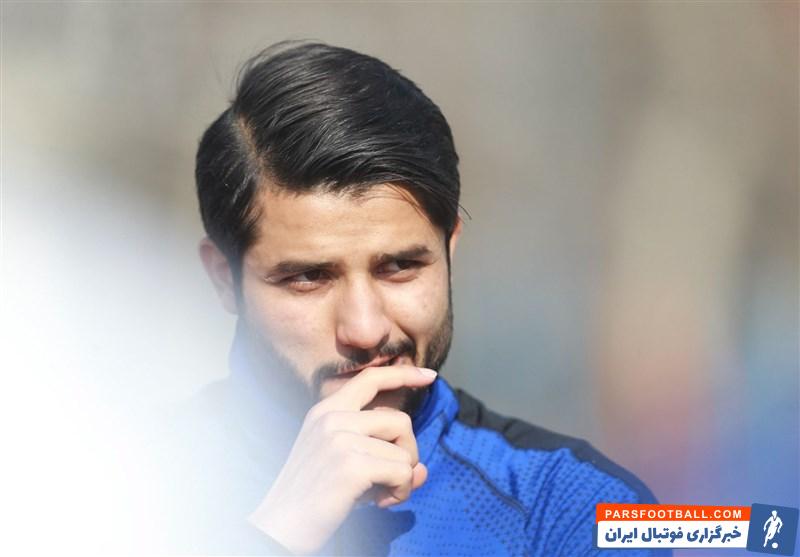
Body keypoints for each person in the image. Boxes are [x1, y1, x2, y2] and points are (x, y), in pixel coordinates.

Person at [164, 40, 661, 556]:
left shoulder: (580, 508)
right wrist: (280, 532)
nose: (365, 329)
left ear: (450, 250)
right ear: (224, 279)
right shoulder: (119, 487)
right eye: (309, 277)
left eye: (399, 267)